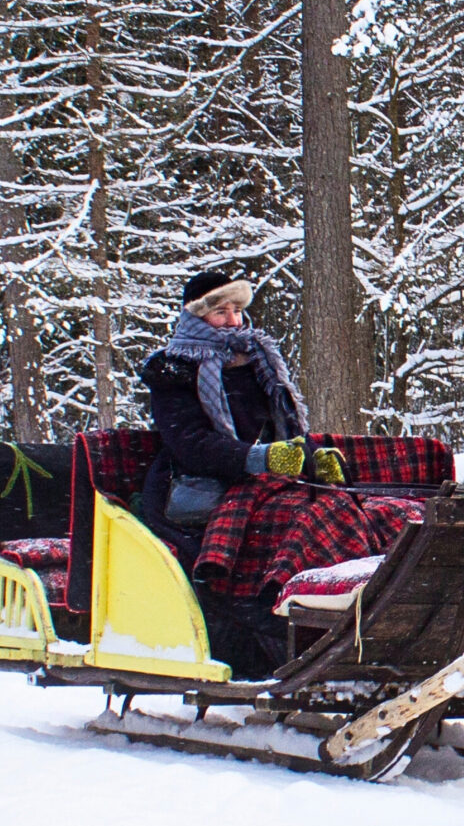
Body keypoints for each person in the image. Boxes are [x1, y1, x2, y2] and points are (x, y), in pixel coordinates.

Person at [138, 268, 335, 675]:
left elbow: (286, 429)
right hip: (194, 491)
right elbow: (189, 443)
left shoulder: (259, 360)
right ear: (196, 317)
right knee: (289, 526)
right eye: (220, 312)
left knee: (326, 511)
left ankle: (328, 621)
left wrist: (313, 457)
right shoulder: (172, 369)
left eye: (237, 310)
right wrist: (257, 458)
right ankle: (272, 637)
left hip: (257, 487)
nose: (232, 321)